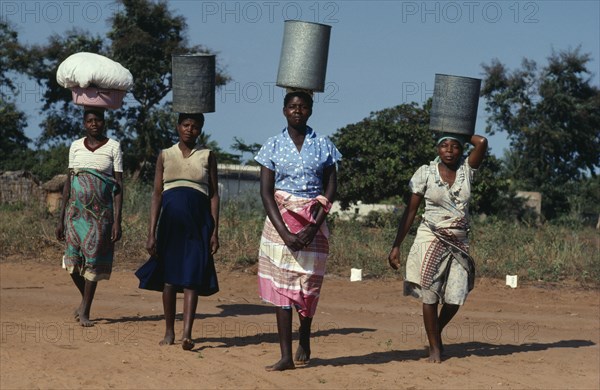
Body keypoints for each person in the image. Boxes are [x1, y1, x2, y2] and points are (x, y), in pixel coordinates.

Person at [254, 91, 341, 371]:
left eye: (303, 107)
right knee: (282, 288)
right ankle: (285, 355)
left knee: (307, 287)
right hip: (279, 223)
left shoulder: (324, 145)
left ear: (311, 111)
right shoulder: (272, 145)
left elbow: (331, 186)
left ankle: (305, 335)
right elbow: (266, 193)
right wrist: (286, 234)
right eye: (292, 107)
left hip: (314, 220)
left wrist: (313, 226)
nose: (297, 111)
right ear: (284, 111)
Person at [388, 133, 488, 363]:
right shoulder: (425, 172)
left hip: (459, 240)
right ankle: (435, 347)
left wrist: (458, 126)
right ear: (437, 149)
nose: (450, 150)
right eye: (444, 145)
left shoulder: (467, 171)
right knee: (430, 293)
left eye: (455, 146)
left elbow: (481, 142)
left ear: (462, 149)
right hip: (430, 237)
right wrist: (396, 245)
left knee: (456, 296)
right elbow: (410, 211)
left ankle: (435, 331)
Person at [135, 113, 219, 351]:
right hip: (170, 225)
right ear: (178, 127)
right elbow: (157, 194)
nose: (189, 129)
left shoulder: (207, 156)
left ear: (200, 129)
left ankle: (187, 334)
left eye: (194, 126)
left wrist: (214, 230)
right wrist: (151, 232)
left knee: (192, 278)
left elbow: (213, 195)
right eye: (185, 125)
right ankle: (169, 331)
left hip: (199, 225)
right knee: (170, 279)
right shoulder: (165, 154)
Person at [55, 107, 124, 327]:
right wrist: (61, 217)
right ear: (84, 124)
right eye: (90, 121)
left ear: (104, 122)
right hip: (75, 214)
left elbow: (119, 185)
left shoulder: (114, 146)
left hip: (101, 215)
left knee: (93, 261)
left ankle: (85, 310)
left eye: (98, 120)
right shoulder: (75, 146)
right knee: (72, 261)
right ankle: (85, 300)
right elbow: (69, 182)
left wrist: (117, 220)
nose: (94, 124)